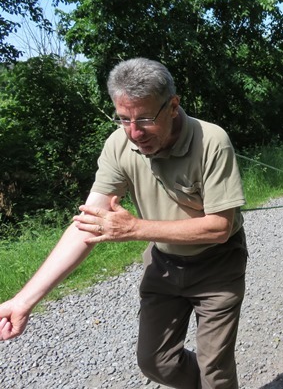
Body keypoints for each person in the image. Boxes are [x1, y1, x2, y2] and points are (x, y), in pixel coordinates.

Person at [0, 58, 247, 389]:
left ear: (173, 106)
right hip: (164, 265)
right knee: (155, 362)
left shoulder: (212, 141)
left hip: (217, 265)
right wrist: (24, 301)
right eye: (123, 119)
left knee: (215, 369)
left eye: (144, 118)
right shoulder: (120, 144)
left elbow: (219, 227)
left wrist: (135, 229)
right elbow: (87, 224)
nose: (134, 132)